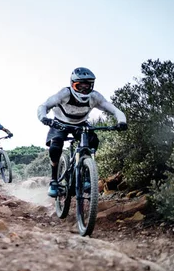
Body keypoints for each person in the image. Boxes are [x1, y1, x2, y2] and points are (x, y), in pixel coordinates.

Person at [37, 67, 128, 197]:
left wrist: (122, 122)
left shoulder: (94, 96)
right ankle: (54, 181)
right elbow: (44, 106)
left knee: (93, 141)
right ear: (72, 84)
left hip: (80, 124)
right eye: (80, 86)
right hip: (60, 123)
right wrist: (44, 118)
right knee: (55, 147)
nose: (84, 90)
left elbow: (114, 110)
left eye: (87, 86)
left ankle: (86, 173)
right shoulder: (64, 94)